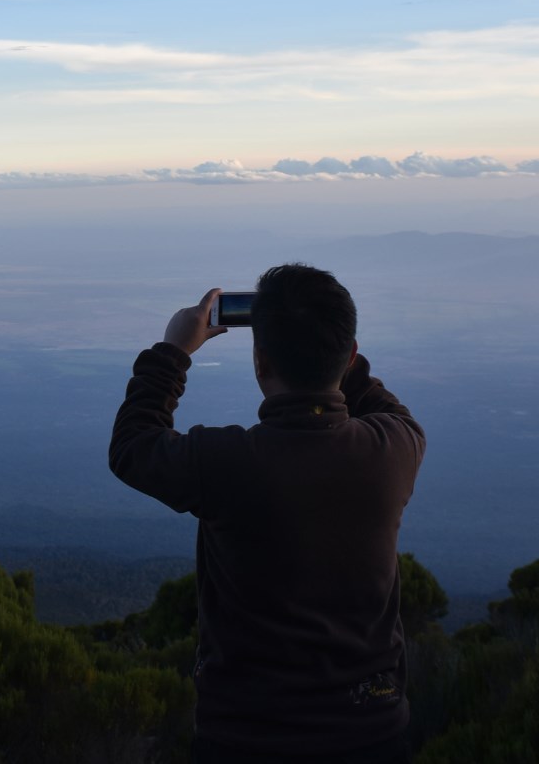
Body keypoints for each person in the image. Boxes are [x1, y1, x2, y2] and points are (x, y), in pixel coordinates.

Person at [108, 263, 425, 764]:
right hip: (375, 734)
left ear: (260, 363)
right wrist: (334, 348)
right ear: (350, 356)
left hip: (246, 740)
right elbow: (377, 401)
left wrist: (172, 352)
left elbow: (133, 446)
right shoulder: (396, 448)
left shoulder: (225, 463)